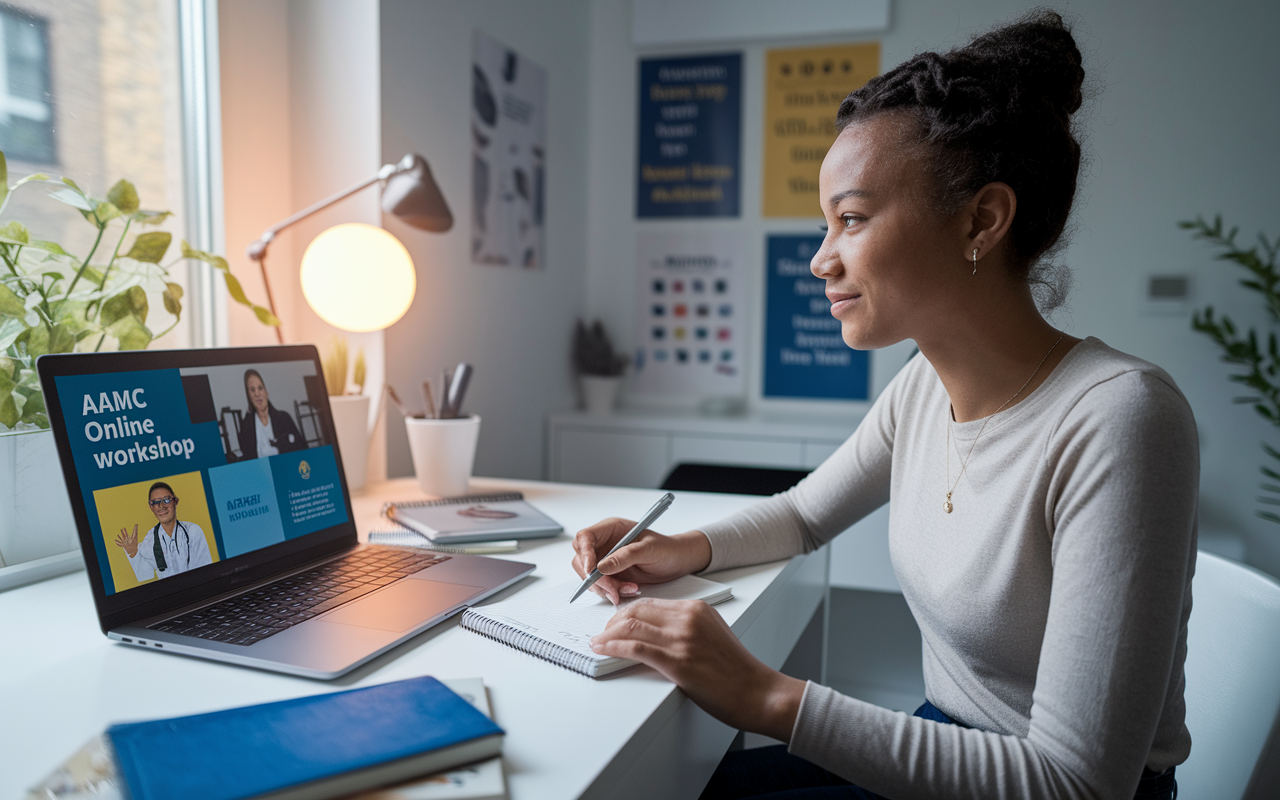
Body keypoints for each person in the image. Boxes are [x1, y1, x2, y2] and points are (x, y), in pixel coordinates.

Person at [572, 12, 1193, 800]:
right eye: (825, 223)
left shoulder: (1121, 419)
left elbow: (1077, 783)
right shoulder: (924, 387)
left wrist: (765, 696)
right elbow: (801, 516)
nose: (818, 259)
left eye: (852, 219)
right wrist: (674, 546)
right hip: (947, 737)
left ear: (982, 220)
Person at [115, 482, 213, 582]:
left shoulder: (192, 531)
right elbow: (146, 577)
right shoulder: (150, 539)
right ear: (151, 507)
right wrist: (133, 553)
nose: (161, 506)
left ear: (176, 501)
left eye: (166, 500)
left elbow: (205, 570)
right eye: (155, 503)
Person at [237, 368, 305, 459]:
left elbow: (303, 450)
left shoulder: (284, 418)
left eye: (260, 388)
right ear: (249, 397)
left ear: (266, 392)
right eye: (252, 390)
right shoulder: (246, 428)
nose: (257, 394)